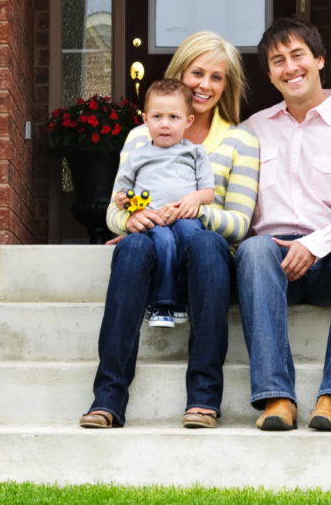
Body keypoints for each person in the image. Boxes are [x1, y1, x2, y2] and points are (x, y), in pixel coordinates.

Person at [79, 31, 261, 430]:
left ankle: (202, 400)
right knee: (130, 249)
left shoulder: (241, 141)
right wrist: (130, 221)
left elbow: (239, 224)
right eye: (197, 72)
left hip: (204, 258)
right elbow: (116, 207)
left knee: (211, 245)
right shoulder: (141, 136)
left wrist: (195, 209)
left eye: (217, 77)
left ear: (225, 86)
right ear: (181, 72)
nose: (205, 84)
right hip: (152, 248)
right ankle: (107, 400)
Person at [237, 18, 331, 432]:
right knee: (252, 249)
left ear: (319, 59)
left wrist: (316, 244)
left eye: (298, 55)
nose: (290, 67)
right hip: (269, 265)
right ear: (270, 74)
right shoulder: (251, 132)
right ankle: (276, 398)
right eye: (277, 61)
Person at [108, 78, 216, 328]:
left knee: (192, 238)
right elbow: (119, 194)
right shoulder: (137, 155)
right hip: (153, 218)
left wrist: (194, 199)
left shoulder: (196, 152)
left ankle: (186, 296)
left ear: (188, 121)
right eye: (157, 117)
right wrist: (126, 203)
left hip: (185, 217)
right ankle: (162, 302)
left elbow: (208, 192)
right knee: (165, 242)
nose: (164, 124)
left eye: (174, 117)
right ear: (145, 120)